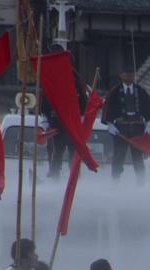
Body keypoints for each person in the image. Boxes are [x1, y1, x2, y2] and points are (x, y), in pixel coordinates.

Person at [102, 63, 150, 185]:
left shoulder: (141, 91)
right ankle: (116, 184)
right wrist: (110, 125)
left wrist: (149, 126)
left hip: (138, 128)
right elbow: (108, 110)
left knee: (138, 159)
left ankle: (140, 184)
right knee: (118, 158)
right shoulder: (115, 92)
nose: (129, 75)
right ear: (121, 75)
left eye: (131, 73)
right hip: (121, 129)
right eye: (126, 73)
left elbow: (149, 110)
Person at [39, 47, 88, 180]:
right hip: (57, 124)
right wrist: (44, 123)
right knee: (56, 153)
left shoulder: (74, 77)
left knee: (74, 153)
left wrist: (82, 123)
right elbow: (45, 103)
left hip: (73, 123)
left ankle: (74, 180)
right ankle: (54, 178)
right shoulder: (49, 76)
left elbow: (83, 104)